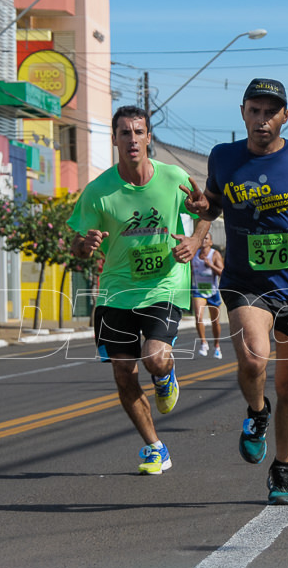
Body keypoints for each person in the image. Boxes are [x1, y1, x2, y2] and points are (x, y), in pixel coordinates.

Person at [183, 77, 288, 506]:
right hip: (245, 281)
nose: (261, 120)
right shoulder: (223, 157)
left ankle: (283, 468)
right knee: (254, 357)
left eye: (270, 112)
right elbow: (215, 202)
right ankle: (257, 413)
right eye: (254, 111)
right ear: (243, 113)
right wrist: (204, 211)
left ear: (285, 116)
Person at [66, 105, 208, 475]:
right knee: (123, 374)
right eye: (124, 133)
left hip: (164, 285)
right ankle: (155, 448)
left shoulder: (174, 177)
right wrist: (85, 244)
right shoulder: (98, 191)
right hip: (116, 291)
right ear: (114, 139)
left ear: (149, 138)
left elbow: (207, 211)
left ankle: (165, 375)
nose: (132, 139)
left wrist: (194, 239)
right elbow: (77, 243)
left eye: (138, 132)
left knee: (154, 357)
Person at [191, 231, 224, 359]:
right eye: (202, 238)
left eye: (207, 238)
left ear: (211, 242)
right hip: (199, 290)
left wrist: (210, 265)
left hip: (213, 291)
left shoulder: (214, 255)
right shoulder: (194, 255)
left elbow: (222, 272)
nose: (204, 240)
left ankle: (217, 346)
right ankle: (203, 343)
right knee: (198, 316)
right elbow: (190, 272)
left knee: (215, 321)